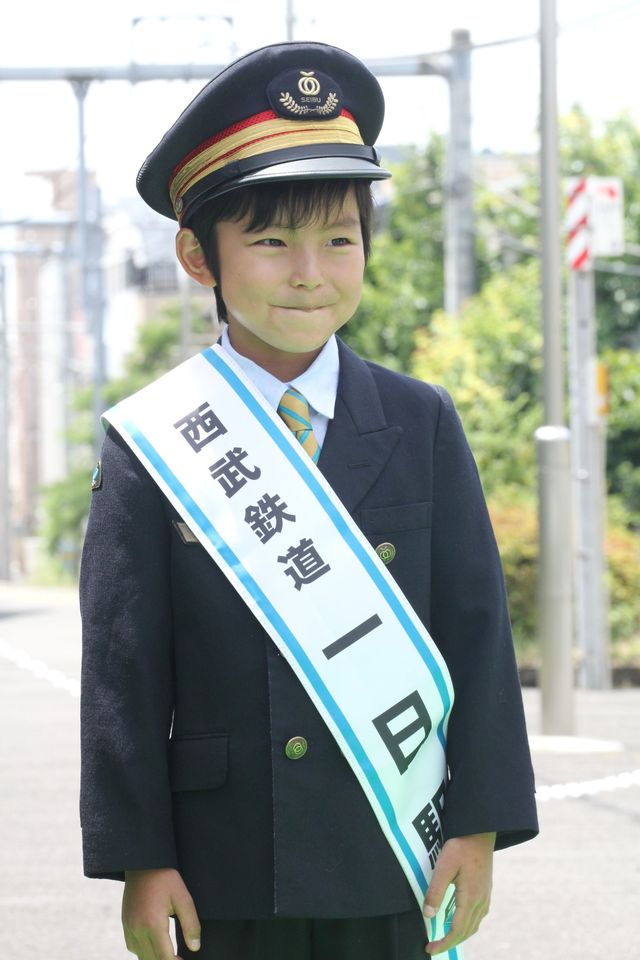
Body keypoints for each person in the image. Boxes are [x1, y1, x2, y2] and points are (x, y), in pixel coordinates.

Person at [80, 41, 538, 960]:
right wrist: (140, 856)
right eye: (270, 240)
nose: (309, 272)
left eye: (338, 239)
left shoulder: (419, 420)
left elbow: (476, 630)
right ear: (196, 255)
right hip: (225, 863)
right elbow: (123, 669)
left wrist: (479, 826)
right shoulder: (155, 437)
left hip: (389, 846)